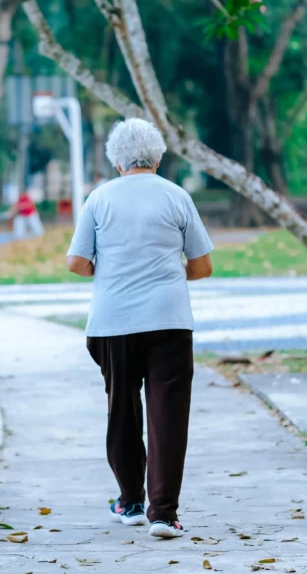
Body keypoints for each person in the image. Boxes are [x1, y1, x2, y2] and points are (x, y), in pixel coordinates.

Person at [66, 117, 214, 540]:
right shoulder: (177, 196)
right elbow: (203, 266)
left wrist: (108, 268)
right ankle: (163, 514)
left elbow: (76, 262)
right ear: (159, 157)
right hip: (169, 320)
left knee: (122, 410)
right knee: (168, 416)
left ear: (116, 162)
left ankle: (129, 501)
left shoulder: (99, 199)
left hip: (114, 322)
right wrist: (168, 270)